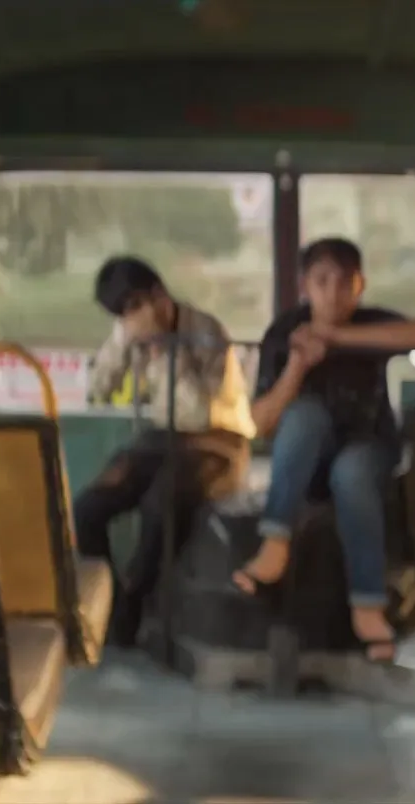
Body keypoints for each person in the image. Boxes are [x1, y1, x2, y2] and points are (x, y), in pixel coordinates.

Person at [231, 237, 415, 661]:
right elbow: (261, 423)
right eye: (322, 281)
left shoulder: (371, 323)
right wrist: (298, 365)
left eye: (345, 283)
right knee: (305, 415)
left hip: (369, 448)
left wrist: (337, 336)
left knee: (352, 472)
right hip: (304, 462)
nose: (333, 293)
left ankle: (368, 607)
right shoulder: (284, 332)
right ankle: (275, 542)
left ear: (360, 285)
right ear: (305, 286)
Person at [78, 256, 256, 647]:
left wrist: (164, 355)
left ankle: (133, 604)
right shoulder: (129, 332)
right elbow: (97, 389)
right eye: (122, 313)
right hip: (163, 440)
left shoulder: (206, 332)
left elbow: (199, 413)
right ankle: (110, 602)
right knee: (88, 507)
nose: (132, 318)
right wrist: (121, 343)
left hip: (218, 442)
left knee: (160, 505)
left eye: (135, 306)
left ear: (158, 295)